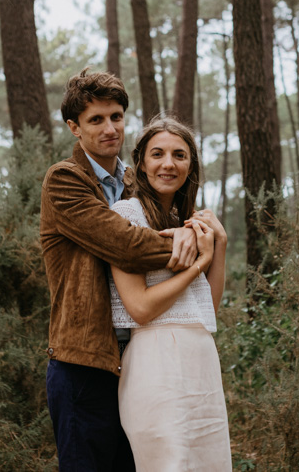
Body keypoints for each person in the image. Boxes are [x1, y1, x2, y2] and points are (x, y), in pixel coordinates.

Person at [40, 69, 206, 471]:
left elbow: (178, 215)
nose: (110, 128)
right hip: (84, 363)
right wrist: (186, 241)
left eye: (116, 116)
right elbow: (127, 246)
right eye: (96, 120)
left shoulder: (136, 183)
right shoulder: (65, 181)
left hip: (140, 360)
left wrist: (199, 226)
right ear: (74, 128)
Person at [109, 117, 232, 471]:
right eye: (158, 154)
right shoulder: (127, 214)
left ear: (190, 164)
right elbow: (140, 309)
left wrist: (218, 244)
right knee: (170, 462)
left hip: (201, 360)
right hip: (154, 360)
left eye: (179, 155)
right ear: (142, 163)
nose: (168, 164)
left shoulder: (188, 220)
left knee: (209, 463)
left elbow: (207, 307)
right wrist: (198, 264)